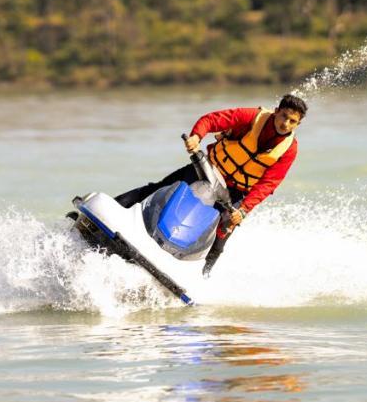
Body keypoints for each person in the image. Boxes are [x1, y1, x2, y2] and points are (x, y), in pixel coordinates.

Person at [115, 94, 307, 275]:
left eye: (292, 121)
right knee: (161, 188)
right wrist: (196, 136)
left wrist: (243, 210)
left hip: (236, 191)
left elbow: (269, 183)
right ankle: (110, 208)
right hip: (209, 170)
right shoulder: (252, 117)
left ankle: (202, 275)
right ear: (276, 111)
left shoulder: (289, 150)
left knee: (223, 231)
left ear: (298, 124)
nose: (285, 123)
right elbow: (212, 119)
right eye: (284, 116)